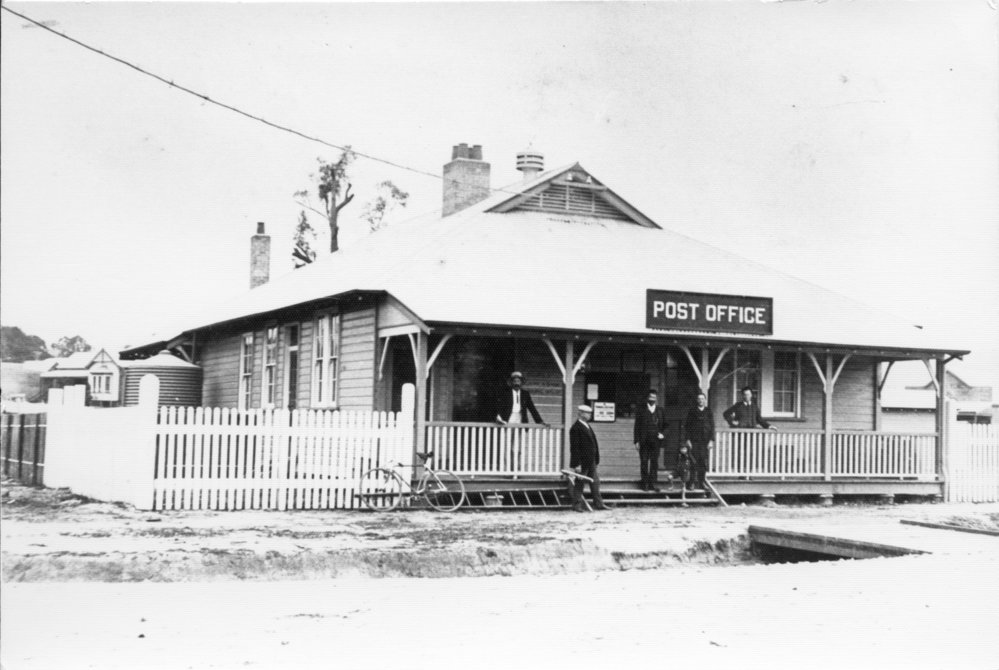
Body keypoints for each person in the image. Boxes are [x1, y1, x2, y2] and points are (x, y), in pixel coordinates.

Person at [569, 405, 609, 512]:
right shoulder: (576, 428)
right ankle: (577, 505)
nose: (589, 415)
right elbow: (575, 448)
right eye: (587, 413)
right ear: (580, 414)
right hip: (582, 461)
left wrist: (596, 459)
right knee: (580, 482)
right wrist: (576, 464)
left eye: (590, 413)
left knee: (595, 482)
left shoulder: (587, 426)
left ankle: (599, 503)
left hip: (591, 460)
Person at [633, 389, 667, 492]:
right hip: (644, 441)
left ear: (656, 399)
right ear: (647, 398)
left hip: (655, 441)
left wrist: (663, 434)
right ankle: (645, 484)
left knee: (654, 462)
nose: (652, 400)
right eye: (650, 397)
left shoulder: (660, 411)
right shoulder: (641, 410)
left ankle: (652, 483)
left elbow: (666, 426)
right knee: (644, 461)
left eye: (654, 398)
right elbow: (637, 426)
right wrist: (636, 441)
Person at [682, 391, 716, 490]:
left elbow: (712, 426)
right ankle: (691, 483)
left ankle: (701, 482)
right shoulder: (692, 411)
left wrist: (711, 440)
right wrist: (688, 439)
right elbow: (687, 426)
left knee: (703, 463)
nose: (701, 401)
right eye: (699, 399)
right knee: (693, 462)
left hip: (705, 441)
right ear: (697, 400)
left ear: (705, 400)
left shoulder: (708, 411)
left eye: (702, 399)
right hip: (694, 441)